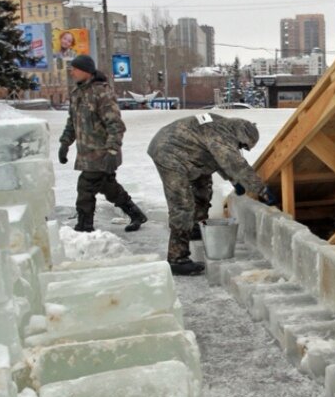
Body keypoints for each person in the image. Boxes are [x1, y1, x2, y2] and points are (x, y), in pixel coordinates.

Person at [148, 113, 277, 276]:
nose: (240, 149)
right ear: (240, 136)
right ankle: (177, 259)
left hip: (192, 153)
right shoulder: (221, 134)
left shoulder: (224, 127)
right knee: (182, 205)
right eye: (242, 145)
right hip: (168, 152)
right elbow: (235, 162)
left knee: (204, 189)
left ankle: (195, 227)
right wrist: (262, 190)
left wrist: (234, 181)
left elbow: (220, 159)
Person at [57, 54, 147, 233]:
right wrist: (65, 143)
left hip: (102, 153)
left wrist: (112, 151)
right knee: (108, 187)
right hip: (86, 154)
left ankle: (84, 226)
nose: (72, 72)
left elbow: (116, 125)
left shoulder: (102, 93)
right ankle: (136, 214)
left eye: (75, 69)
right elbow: (72, 122)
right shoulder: (77, 93)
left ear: (85, 71)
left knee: (85, 188)